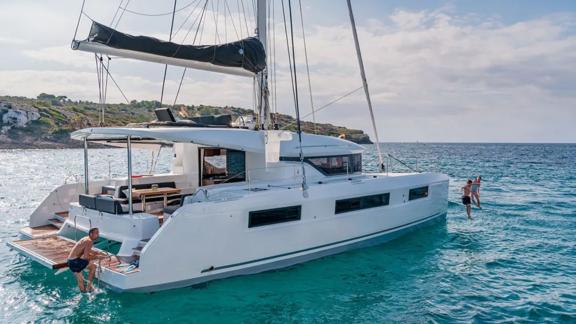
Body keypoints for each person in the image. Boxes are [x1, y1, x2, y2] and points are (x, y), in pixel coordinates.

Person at [67, 228, 99, 292]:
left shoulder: (85, 238)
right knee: (93, 267)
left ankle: (84, 291)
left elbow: (85, 249)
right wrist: (98, 257)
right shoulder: (89, 241)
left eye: (98, 233)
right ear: (91, 234)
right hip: (76, 262)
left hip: (70, 262)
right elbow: (86, 257)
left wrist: (94, 252)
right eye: (96, 233)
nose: (98, 235)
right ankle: (88, 286)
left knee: (80, 280)